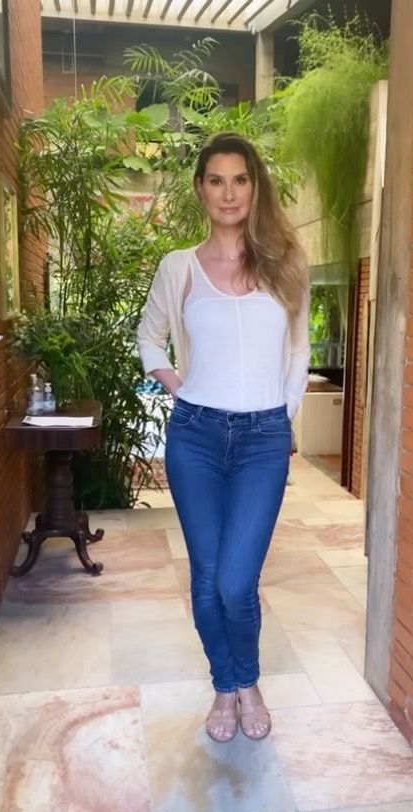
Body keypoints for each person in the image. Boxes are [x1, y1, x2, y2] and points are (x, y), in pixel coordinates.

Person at [137, 132, 310, 743]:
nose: (229, 193)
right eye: (216, 180)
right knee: (207, 579)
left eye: (240, 180)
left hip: (263, 438)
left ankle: (249, 678)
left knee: (237, 582)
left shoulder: (286, 263)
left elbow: (298, 351)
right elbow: (149, 337)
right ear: (200, 189)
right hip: (197, 438)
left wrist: (283, 419)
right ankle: (227, 686)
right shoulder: (178, 267)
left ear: (255, 188)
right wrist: (180, 387)